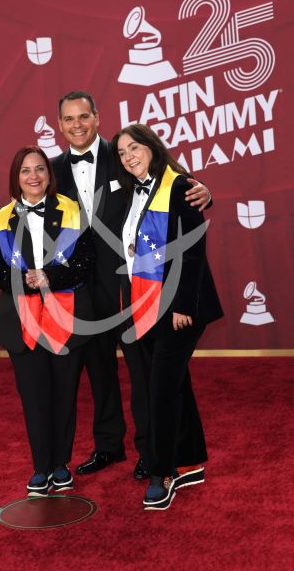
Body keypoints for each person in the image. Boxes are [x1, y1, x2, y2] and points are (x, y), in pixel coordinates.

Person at [0, 91, 211, 480]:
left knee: (142, 373)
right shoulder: (51, 170)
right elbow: (24, 214)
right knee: (99, 372)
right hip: (81, 291)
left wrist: (202, 189)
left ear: (97, 117)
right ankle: (108, 445)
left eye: (83, 116)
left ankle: (150, 450)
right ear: (59, 124)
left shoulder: (124, 155)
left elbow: (164, 183)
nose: (77, 125)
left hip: (134, 287)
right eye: (68, 119)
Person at [111, 124, 223, 510]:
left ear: (152, 147)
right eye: (122, 152)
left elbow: (193, 251)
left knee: (160, 390)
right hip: (146, 304)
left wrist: (182, 307)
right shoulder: (131, 190)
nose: (128, 156)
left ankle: (163, 473)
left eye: (134, 147)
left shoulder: (178, 185)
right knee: (176, 384)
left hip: (178, 306)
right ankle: (190, 461)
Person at [0, 145, 94, 497]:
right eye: (25, 171)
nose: (34, 177)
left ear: (49, 174)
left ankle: (61, 464)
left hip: (65, 315)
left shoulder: (73, 211)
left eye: (40, 169)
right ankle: (40, 468)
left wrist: (49, 278)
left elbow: (84, 261)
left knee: (64, 396)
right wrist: (24, 281)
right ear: (16, 178)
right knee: (34, 398)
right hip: (22, 321)